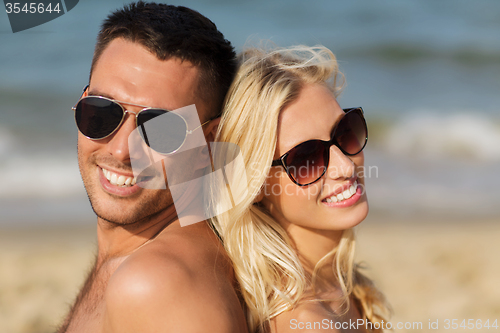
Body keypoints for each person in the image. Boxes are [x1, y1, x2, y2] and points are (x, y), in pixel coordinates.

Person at [57, 2, 248, 332]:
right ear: (83, 98)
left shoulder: (156, 285)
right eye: (102, 111)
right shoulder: (138, 260)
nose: (121, 150)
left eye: (160, 128)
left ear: (209, 141)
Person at [210, 45, 391, 332]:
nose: (345, 166)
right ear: (254, 186)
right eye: (306, 158)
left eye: (346, 131)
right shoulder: (308, 322)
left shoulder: (338, 282)